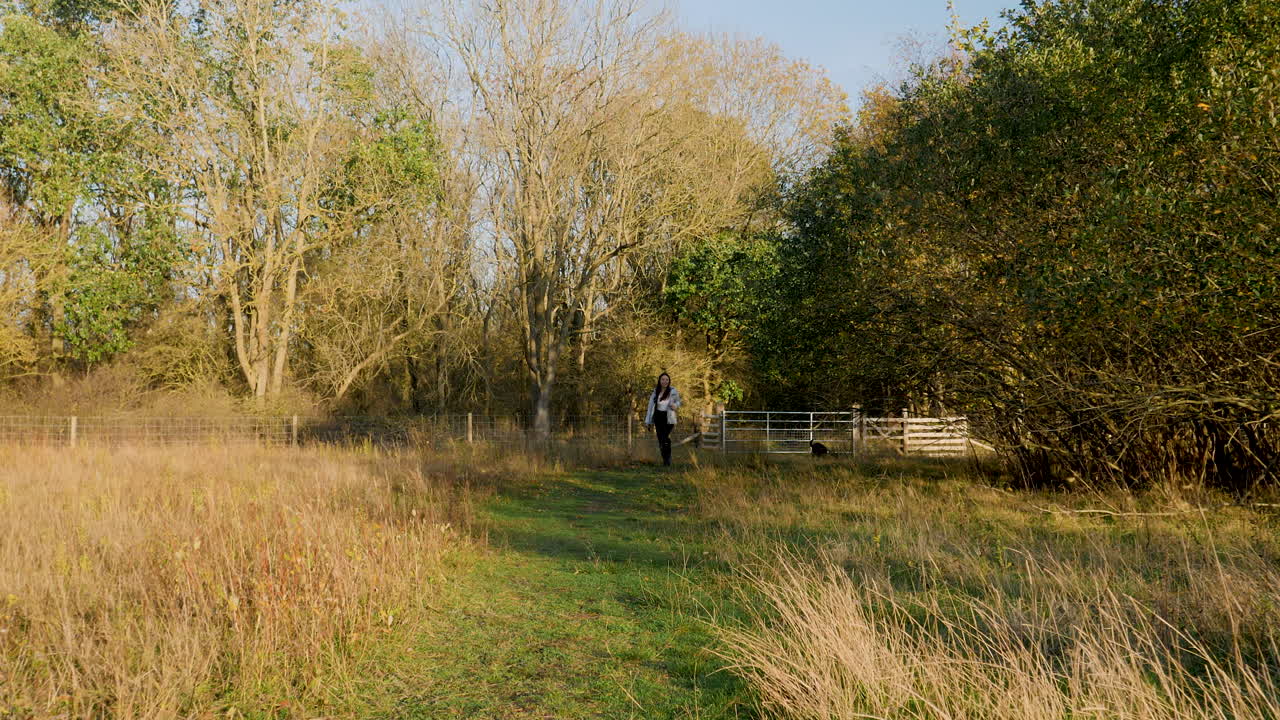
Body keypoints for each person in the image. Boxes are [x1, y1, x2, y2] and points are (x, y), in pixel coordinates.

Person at [644, 372, 681, 466]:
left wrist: (675, 405)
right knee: (661, 440)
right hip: (658, 417)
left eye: (667, 380)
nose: (665, 381)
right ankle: (666, 460)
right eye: (663, 379)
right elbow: (650, 406)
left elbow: (678, 402)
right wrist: (647, 421)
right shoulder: (655, 391)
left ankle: (667, 460)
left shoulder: (673, 391)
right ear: (660, 381)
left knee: (665, 438)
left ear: (669, 381)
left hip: (669, 418)